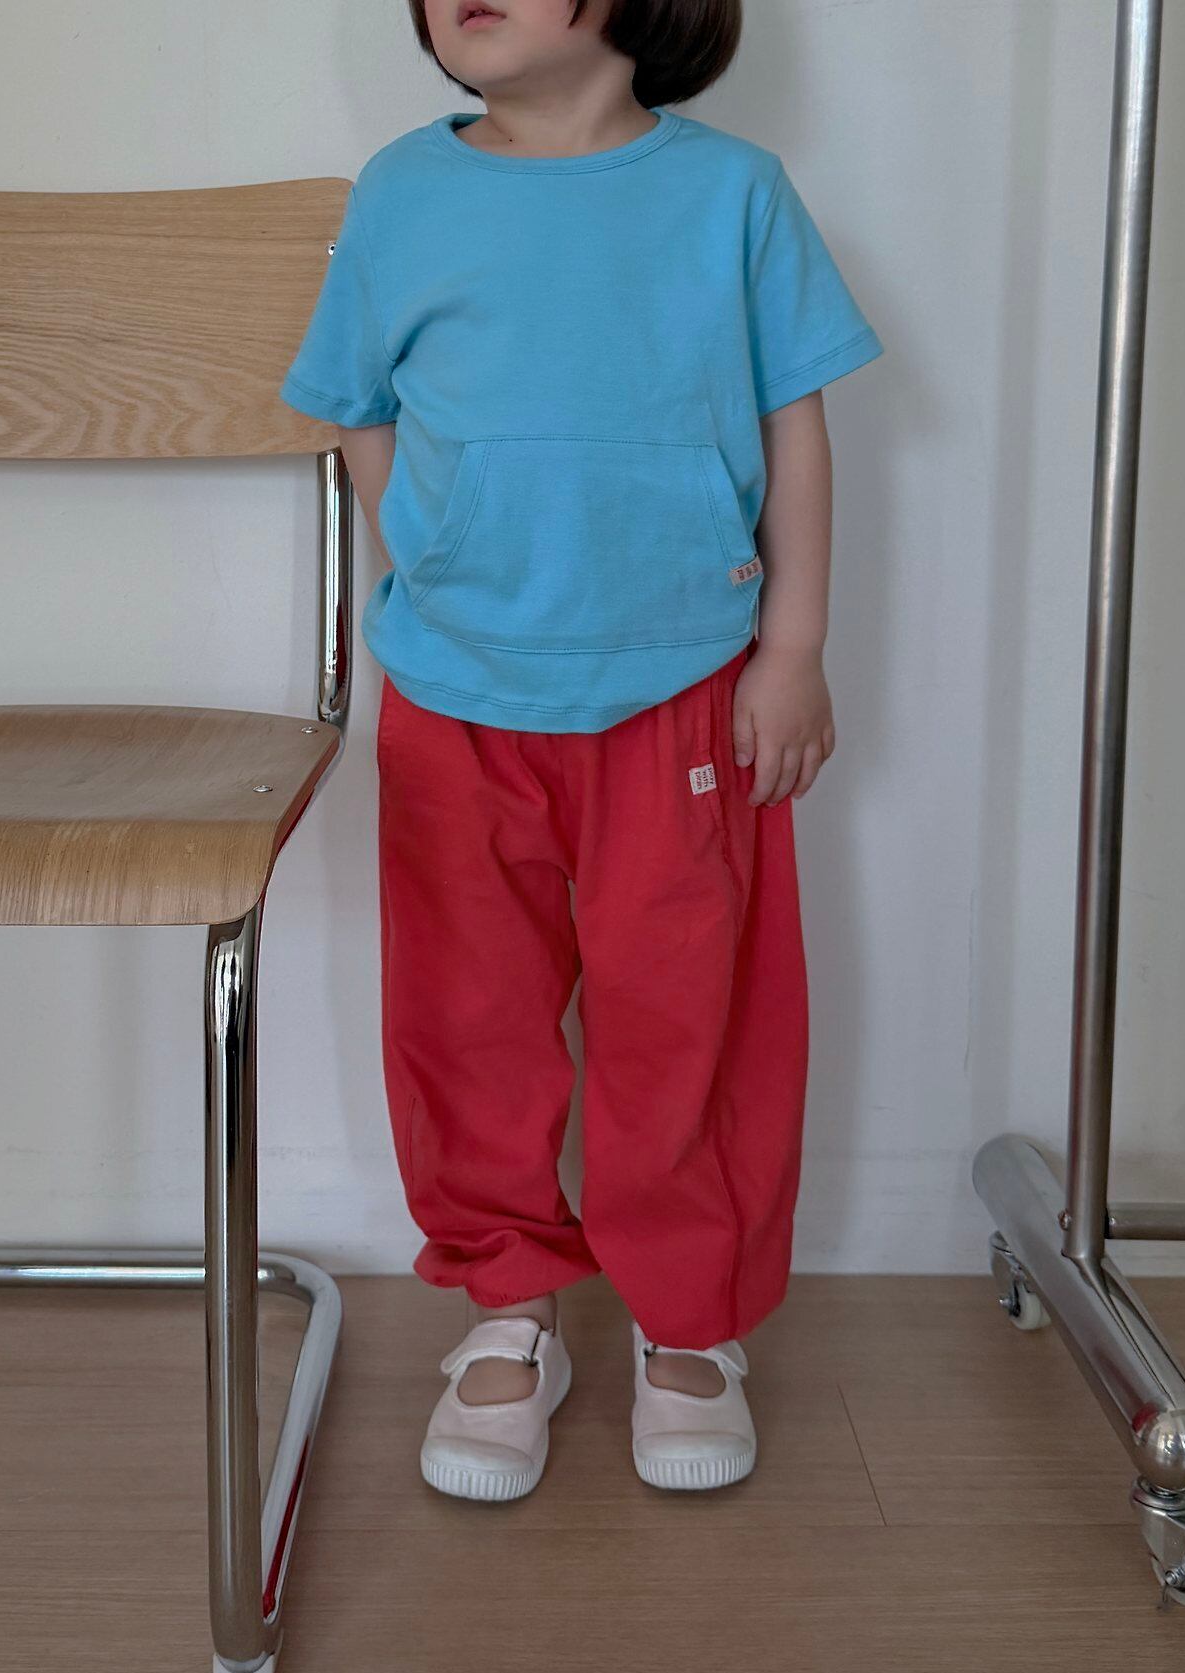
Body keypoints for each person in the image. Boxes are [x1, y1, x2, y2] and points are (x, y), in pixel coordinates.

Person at [279, 0, 882, 1501]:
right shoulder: (403, 192)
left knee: (689, 1017)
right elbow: (356, 409)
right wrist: (433, 560)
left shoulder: (731, 193)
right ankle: (508, 1309)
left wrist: (794, 648)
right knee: (465, 1016)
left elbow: (795, 426)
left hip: (683, 692)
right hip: (457, 699)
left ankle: (688, 1321)